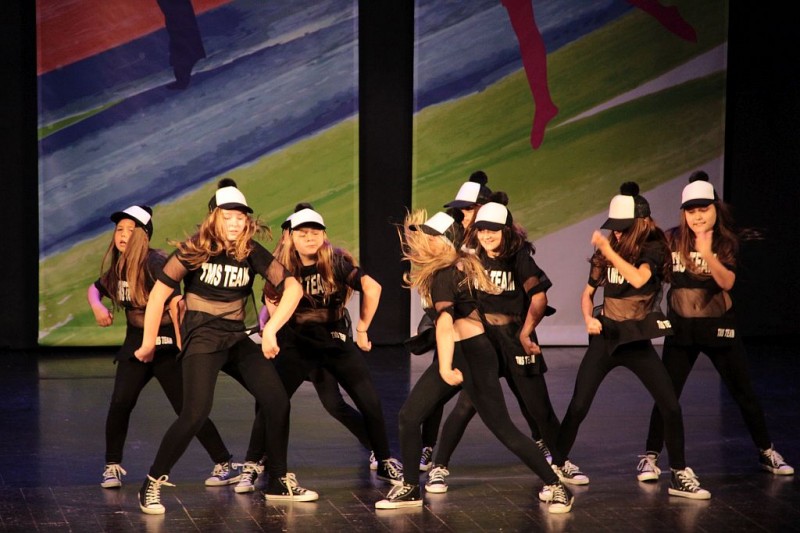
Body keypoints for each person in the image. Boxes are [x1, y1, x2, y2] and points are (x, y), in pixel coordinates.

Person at [133, 179, 317, 514]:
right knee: (195, 413)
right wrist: (147, 343)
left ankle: (278, 481)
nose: (234, 223)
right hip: (203, 339)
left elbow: (293, 288)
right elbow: (158, 295)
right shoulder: (194, 249)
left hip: (236, 337)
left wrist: (271, 331)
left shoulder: (250, 251)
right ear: (214, 217)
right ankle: (152, 483)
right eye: (227, 216)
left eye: (240, 217)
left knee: (277, 400)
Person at [375, 210, 573, 513]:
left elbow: (445, 324)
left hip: (473, 356)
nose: (425, 240)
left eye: (432, 236)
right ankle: (411, 488)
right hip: (460, 351)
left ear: (445, 242)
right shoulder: (451, 266)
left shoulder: (446, 273)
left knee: (503, 428)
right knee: (409, 416)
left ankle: (557, 486)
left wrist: (444, 367)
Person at [553, 181, 711, 500]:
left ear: (639, 224)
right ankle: (556, 466)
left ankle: (679, 473)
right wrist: (587, 318)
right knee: (578, 405)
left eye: (622, 228)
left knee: (670, 405)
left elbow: (639, 278)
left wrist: (609, 251)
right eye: (613, 228)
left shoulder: (654, 249)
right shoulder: (607, 250)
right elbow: (587, 294)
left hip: (637, 341)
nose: (616, 234)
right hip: (606, 339)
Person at [425, 195, 588, 497]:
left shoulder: (519, 257)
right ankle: (439, 467)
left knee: (540, 408)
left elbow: (539, 297)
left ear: (506, 231)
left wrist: (526, 333)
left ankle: (560, 462)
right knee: (466, 406)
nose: (486, 236)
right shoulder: (470, 256)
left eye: (493, 230)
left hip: (515, 339)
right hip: (482, 342)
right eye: (482, 230)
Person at [636, 171, 794, 481]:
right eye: (691, 211)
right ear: (684, 214)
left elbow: (727, 281)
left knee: (745, 393)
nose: (698, 216)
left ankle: (766, 451)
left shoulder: (725, 241)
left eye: (703, 209)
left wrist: (708, 254)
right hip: (681, 332)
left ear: (715, 209)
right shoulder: (671, 239)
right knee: (666, 395)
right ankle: (650, 456)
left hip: (720, 331)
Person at [241, 204, 403, 488]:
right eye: (302, 233)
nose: (310, 238)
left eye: (315, 232)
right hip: (297, 344)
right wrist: (272, 334)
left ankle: (384, 459)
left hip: (334, 342)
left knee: (367, 400)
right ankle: (253, 463)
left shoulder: (334, 261)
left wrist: (362, 328)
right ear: (291, 236)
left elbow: (373, 287)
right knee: (272, 400)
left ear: (324, 235)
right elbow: (272, 304)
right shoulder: (281, 266)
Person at [88, 205, 237, 490]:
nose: (123, 235)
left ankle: (224, 462)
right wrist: (97, 306)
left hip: (167, 345)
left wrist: (182, 346)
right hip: (136, 345)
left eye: (130, 230)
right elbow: (95, 288)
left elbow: (176, 304)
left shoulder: (156, 262)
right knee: (120, 402)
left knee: (187, 408)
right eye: (119, 229)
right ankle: (111, 465)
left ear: (144, 235)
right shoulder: (119, 266)